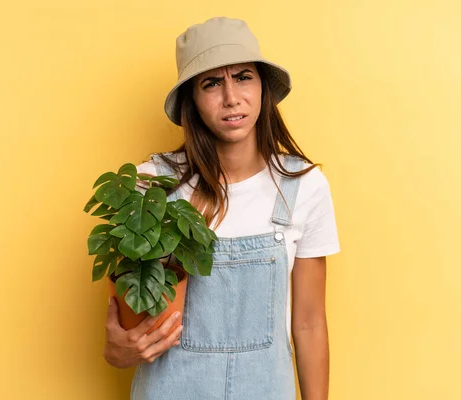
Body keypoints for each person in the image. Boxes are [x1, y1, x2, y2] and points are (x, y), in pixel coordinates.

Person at [102, 16, 340, 400]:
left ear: (262, 86)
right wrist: (118, 349)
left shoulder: (303, 186)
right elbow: (125, 322)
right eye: (211, 83)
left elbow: (310, 323)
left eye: (243, 76)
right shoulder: (153, 185)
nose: (231, 97)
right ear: (192, 101)